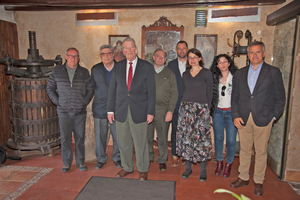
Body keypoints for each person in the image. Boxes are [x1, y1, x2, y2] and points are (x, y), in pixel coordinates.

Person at [230, 41, 285, 196]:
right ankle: (243, 177)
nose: (255, 55)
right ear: (248, 55)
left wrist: (273, 116)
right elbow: (235, 97)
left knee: (261, 151)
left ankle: (259, 181)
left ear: (264, 53)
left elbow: (280, 98)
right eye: (252, 52)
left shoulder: (273, 72)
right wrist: (235, 115)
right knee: (245, 149)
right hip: (244, 117)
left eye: (258, 52)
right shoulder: (240, 73)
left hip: (264, 118)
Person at [107, 37, 156, 181]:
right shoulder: (118, 66)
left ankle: (143, 169)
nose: (129, 50)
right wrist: (110, 110)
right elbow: (112, 90)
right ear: (123, 51)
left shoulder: (146, 67)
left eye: (131, 47)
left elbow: (152, 92)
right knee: (123, 142)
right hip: (121, 111)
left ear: (136, 49)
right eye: (126, 48)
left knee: (141, 142)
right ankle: (127, 167)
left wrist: (150, 112)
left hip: (140, 111)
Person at [47, 47, 94, 172]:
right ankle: (67, 162)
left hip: (80, 112)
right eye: (71, 56)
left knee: (80, 138)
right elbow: (50, 88)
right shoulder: (57, 71)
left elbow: (90, 89)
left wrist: (84, 102)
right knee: (65, 138)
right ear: (66, 56)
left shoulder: (84, 72)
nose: (74, 58)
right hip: (63, 112)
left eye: (76, 56)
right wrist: (58, 102)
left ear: (79, 58)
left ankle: (80, 162)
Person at [176, 48, 213, 181]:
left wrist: (208, 112)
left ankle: (203, 171)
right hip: (186, 109)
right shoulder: (185, 74)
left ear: (199, 58)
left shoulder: (206, 73)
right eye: (190, 57)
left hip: (201, 110)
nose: (192, 59)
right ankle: (188, 168)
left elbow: (210, 94)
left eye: (195, 57)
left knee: (202, 140)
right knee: (187, 139)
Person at [147, 49, 178, 171]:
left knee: (162, 136)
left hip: (163, 110)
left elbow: (174, 93)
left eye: (163, 56)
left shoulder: (170, 73)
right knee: (147, 135)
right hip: (148, 109)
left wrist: (170, 111)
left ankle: (162, 160)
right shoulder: (147, 72)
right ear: (153, 57)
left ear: (166, 59)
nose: (160, 58)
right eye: (158, 56)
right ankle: (149, 156)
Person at [91, 45, 121, 170]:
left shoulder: (120, 68)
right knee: (100, 136)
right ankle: (101, 159)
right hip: (100, 107)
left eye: (109, 53)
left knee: (118, 135)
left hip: (117, 108)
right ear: (100, 56)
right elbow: (91, 87)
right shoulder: (95, 69)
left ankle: (118, 158)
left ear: (113, 54)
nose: (106, 56)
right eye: (103, 54)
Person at [210, 54, 238, 178]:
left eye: (225, 61)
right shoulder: (214, 78)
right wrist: (211, 113)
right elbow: (211, 97)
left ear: (229, 63)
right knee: (218, 139)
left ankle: (228, 164)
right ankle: (219, 163)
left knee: (231, 141)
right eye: (220, 62)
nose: (222, 64)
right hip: (218, 112)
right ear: (216, 65)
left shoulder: (236, 77)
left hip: (232, 113)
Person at [167, 41, 189, 167]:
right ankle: (175, 155)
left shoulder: (192, 64)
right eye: (179, 49)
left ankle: (185, 154)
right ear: (176, 50)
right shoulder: (170, 65)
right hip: (175, 102)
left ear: (187, 49)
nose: (181, 51)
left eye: (183, 48)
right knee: (175, 130)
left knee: (187, 131)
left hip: (188, 103)